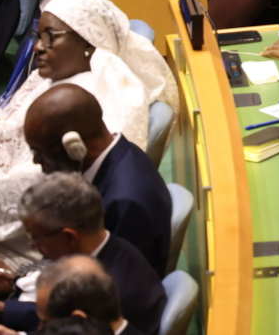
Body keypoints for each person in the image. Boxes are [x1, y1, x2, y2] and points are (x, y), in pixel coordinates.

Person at [0, 0, 173, 268]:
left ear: (87, 42)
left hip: (27, 244)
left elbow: (29, 190)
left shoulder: (96, 101)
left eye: (50, 37)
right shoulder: (54, 75)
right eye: (39, 36)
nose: (38, 47)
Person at [0, 176, 165, 335]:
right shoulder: (110, 252)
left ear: (69, 236)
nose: (33, 245)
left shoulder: (114, 295)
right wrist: (13, 281)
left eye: (36, 237)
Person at [20, 80, 173, 278]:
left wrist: (15, 294)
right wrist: (20, 276)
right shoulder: (123, 154)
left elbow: (109, 287)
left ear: (73, 145)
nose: (36, 161)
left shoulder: (124, 202)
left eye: (39, 152)